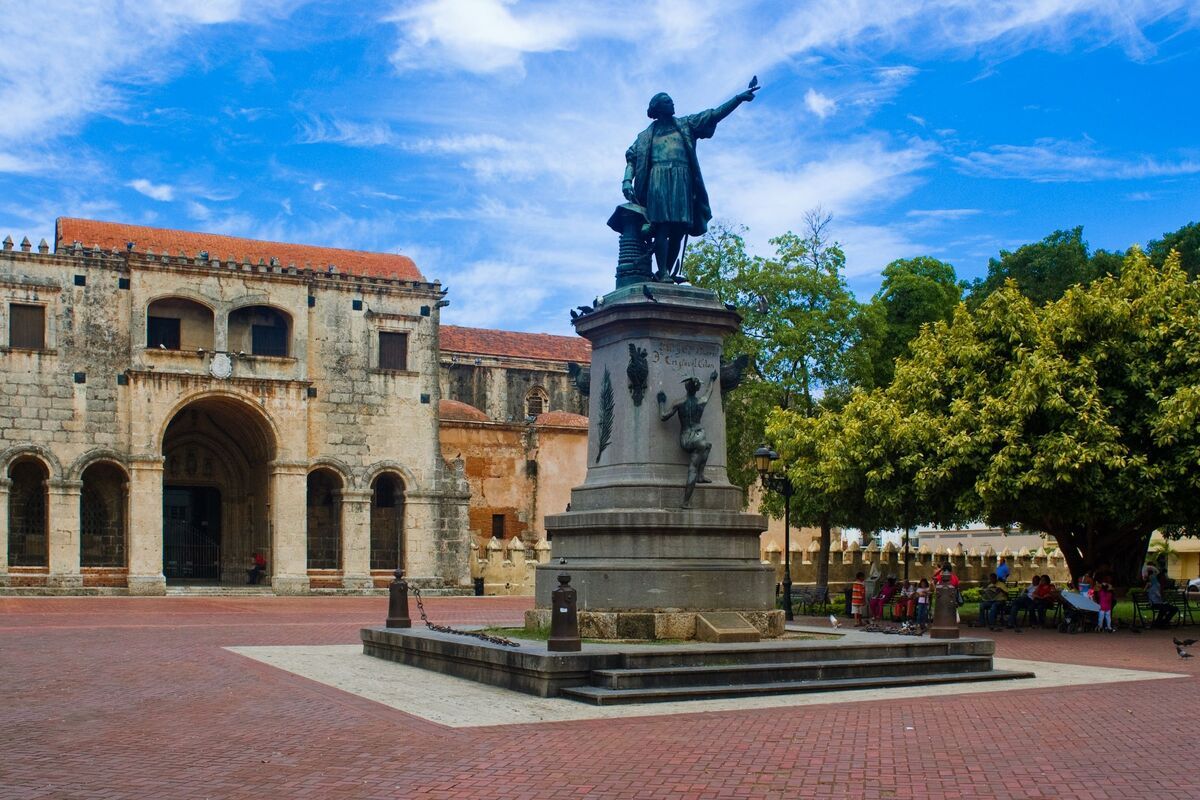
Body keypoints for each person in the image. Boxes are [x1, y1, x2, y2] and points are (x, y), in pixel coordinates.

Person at [623, 87, 757, 280]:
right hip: (658, 179)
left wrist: (738, 99)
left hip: (682, 179)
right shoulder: (645, 136)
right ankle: (663, 272)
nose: (672, 103)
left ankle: (666, 273)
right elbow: (632, 159)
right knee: (662, 226)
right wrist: (627, 180)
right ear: (658, 108)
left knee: (679, 229)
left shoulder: (686, 124)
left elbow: (713, 115)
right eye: (667, 101)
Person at [656, 370, 719, 508]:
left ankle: (699, 479)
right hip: (697, 438)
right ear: (697, 389)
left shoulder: (679, 403)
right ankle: (687, 499)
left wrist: (661, 402)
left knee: (707, 446)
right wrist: (712, 379)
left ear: (686, 387)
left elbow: (663, 416)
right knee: (694, 465)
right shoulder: (701, 401)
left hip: (685, 439)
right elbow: (709, 391)